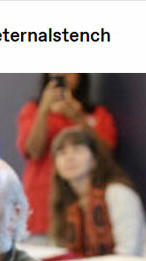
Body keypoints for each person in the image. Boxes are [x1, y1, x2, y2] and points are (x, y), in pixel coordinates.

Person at [17, 74, 118, 235]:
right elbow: (33, 151)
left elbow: (105, 155)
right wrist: (44, 109)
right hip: (42, 204)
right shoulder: (33, 110)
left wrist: (78, 118)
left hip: (86, 205)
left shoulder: (96, 113)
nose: (62, 73)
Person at [49, 128, 146, 257]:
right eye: (62, 153)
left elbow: (128, 251)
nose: (69, 158)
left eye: (77, 150)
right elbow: (60, 250)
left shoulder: (118, 193)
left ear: (94, 159)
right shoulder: (65, 202)